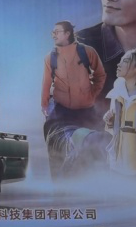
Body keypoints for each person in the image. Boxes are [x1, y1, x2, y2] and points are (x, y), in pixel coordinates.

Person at [41, 20, 106, 178]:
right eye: (53, 32)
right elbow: (46, 83)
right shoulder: (50, 57)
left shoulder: (87, 52)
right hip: (61, 110)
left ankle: (92, 184)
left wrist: (92, 94)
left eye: (57, 32)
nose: (53, 35)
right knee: (59, 150)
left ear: (67, 33)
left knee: (91, 148)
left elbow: (100, 75)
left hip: (87, 111)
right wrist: (44, 104)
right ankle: (60, 186)